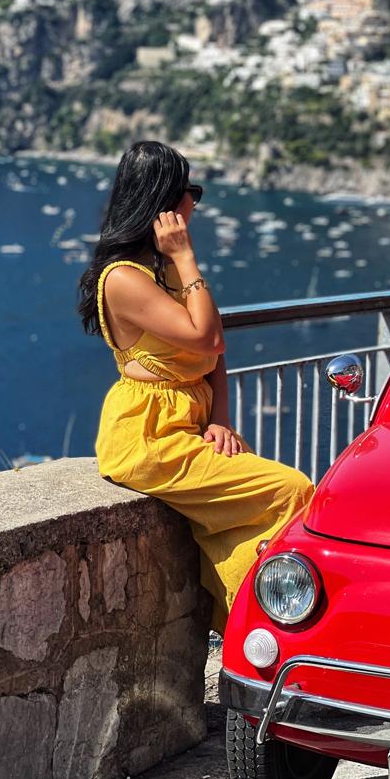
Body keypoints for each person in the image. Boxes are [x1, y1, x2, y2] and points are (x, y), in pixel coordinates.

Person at [78, 141, 313, 631]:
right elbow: (206, 334)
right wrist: (186, 256)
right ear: (164, 202)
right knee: (292, 489)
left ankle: (248, 624)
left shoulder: (160, 271)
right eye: (192, 192)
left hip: (188, 423)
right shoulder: (124, 277)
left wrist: (220, 419)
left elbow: (212, 352)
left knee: (238, 517)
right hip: (149, 435)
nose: (195, 204)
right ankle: (266, 619)